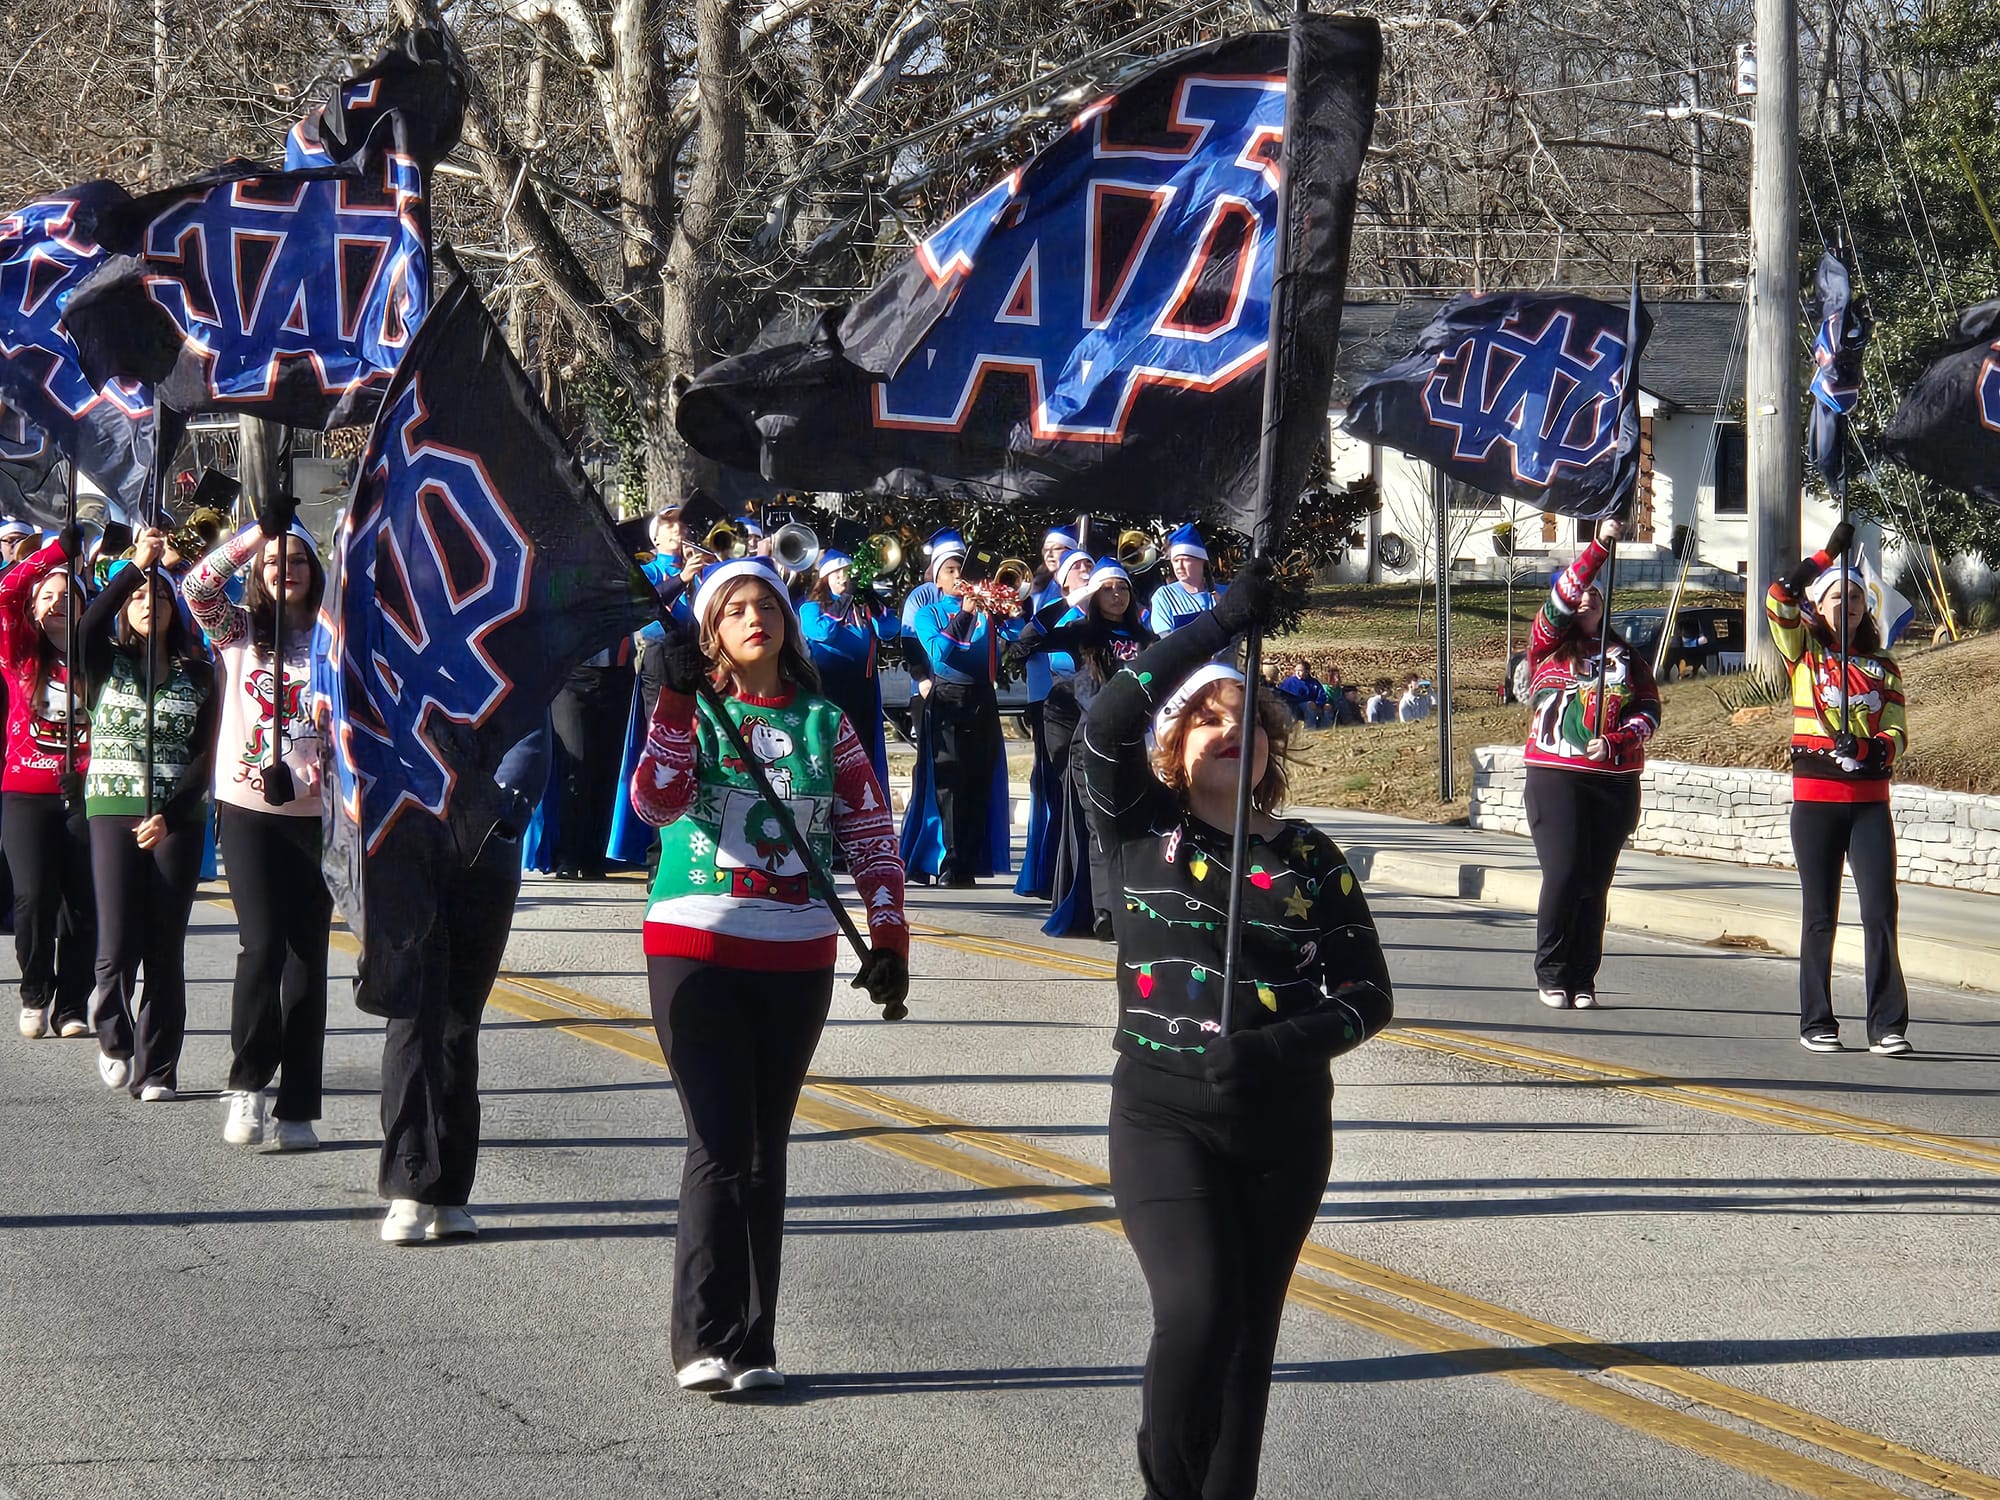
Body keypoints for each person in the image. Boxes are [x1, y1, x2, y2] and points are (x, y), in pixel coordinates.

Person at [1077, 558, 1394, 1500]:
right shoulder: (1141, 829)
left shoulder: (1308, 855)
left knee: (1251, 1335)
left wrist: (1269, 1048)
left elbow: (1367, 996)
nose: (1232, 729)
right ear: (1174, 745)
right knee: (1198, 1310)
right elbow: (1104, 726)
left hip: (1284, 1124)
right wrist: (1214, 628)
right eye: (1208, 715)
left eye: (1250, 717)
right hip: (1162, 1119)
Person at [630, 557, 909, 1394]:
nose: (756, 619)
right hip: (694, 945)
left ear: (789, 625)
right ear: (711, 630)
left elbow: (868, 831)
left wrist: (890, 938)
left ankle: (754, 1343)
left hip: (799, 955)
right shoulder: (693, 706)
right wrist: (673, 701)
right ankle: (700, 1340)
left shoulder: (829, 722)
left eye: (768, 607)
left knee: (765, 1149)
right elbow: (655, 802)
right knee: (719, 1142)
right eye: (736, 608)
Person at [184, 499, 332, 1151]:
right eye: (275, 562)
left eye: (296, 559)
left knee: (307, 958)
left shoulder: (336, 638)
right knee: (263, 945)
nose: (285, 569)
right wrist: (256, 534)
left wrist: (314, 773)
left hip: (319, 816)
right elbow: (196, 586)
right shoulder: (237, 629)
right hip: (247, 811)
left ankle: (298, 1105)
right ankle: (247, 1083)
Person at [377, 719, 552, 1244]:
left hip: (487, 849)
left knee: (459, 1022)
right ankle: (409, 1183)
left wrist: (491, 812)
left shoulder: (505, 643)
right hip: (410, 843)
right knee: (412, 1015)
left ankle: (451, 1191)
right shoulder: (394, 642)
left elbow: (531, 738)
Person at [75, 533, 218, 1100]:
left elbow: (204, 757)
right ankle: (112, 1032)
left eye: (159, 596)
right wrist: (135, 567)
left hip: (174, 818)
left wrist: (171, 812)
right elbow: (86, 626)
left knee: (165, 944)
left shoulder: (201, 673)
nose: (148, 602)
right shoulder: (104, 661)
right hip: (112, 809)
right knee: (117, 940)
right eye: (138, 597)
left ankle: (157, 1067)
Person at [1769, 521, 1912, 1056]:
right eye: (1836, 596)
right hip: (1817, 803)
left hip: (1869, 805)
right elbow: (1779, 595)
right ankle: (1817, 1020)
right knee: (1820, 914)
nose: (1847, 604)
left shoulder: (1883, 667)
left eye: (1855, 597)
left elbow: (1897, 732)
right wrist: (1827, 555)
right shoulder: (1803, 653)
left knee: (1879, 910)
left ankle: (1887, 1023)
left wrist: (1872, 751)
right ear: (1821, 605)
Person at [1521, 518, 1660, 1010]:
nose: (1585, 600)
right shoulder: (1546, 648)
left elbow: (1649, 711)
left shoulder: (1628, 658)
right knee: (1563, 873)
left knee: (1595, 882)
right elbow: (1564, 590)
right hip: (1555, 776)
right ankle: (1551, 970)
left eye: (1595, 596)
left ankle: (1583, 977)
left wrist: (1620, 739)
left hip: (1614, 780)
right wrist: (1600, 546)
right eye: (1580, 596)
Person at [1009, 559, 1153, 937]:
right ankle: (1104, 910)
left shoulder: (1146, 640)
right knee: (1099, 825)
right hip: (1090, 745)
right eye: (1106, 589)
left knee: (1137, 825)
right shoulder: (1080, 633)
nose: (1116, 594)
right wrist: (1073, 599)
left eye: (1122, 587)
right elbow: (1025, 642)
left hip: (1136, 744)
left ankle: (1138, 904)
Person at [0, 529, 94, 1040]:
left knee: (82, 901)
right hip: (25, 791)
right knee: (33, 897)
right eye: (48, 595)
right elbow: (4, 593)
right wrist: (54, 556)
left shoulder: (100, 655)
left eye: (69, 595)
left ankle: (72, 1004)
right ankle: (36, 988)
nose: (58, 603)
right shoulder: (18, 652)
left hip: (86, 792)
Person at [899, 530, 1014, 885]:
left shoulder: (987, 613)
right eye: (950, 570)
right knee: (949, 782)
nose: (958, 576)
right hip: (947, 699)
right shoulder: (929, 612)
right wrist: (964, 615)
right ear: (936, 577)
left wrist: (1008, 610)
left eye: (962, 569)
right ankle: (947, 859)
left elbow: (1013, 647)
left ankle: (970, 860)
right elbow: (939, 652)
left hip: (982, 699)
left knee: (980, 779)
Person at [1014, 546, 1095, 902]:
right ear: (1065, 583)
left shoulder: (1111, 617)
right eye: (1077, 568)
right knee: (1066, 798)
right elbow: (1025, 642)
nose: (1086, 572)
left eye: (1090, 566)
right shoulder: (1065, 619)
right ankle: (1064, 880)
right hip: (1062, 712)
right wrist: (1070, 601)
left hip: (1106, 713)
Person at [798, 549, 900, 792]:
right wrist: (843, 600)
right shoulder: (811, 608)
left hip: (863, 690)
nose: (843, 579)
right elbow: (822, 632)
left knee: (864, 750)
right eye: (836, 574)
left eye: (847, 574)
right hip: (830, 688)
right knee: (834, 750)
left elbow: (889, 630)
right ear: (825, 578)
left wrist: (873, 600)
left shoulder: (862, 607)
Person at [1143, 523, 1221, 635]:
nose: (1179, 566)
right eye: (1175, 561)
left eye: (1185, 560)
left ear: (1201, 560)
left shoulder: (1225, 593)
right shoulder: (1164, 596)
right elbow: (1165, 640)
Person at [1278, 659, 1332, 729]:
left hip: (1313, 705)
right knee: (1308, 705)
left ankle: (1325, 729)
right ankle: (1310, 729)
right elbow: (1281, 695)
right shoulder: (1288, 682)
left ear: (1307, 671)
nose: (1298, 672)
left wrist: (1318, 704)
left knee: (1327, 707)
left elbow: (1322, 695)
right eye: (1296, 670)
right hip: (1293, 706)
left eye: (1300, 670)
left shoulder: (1314, 682)